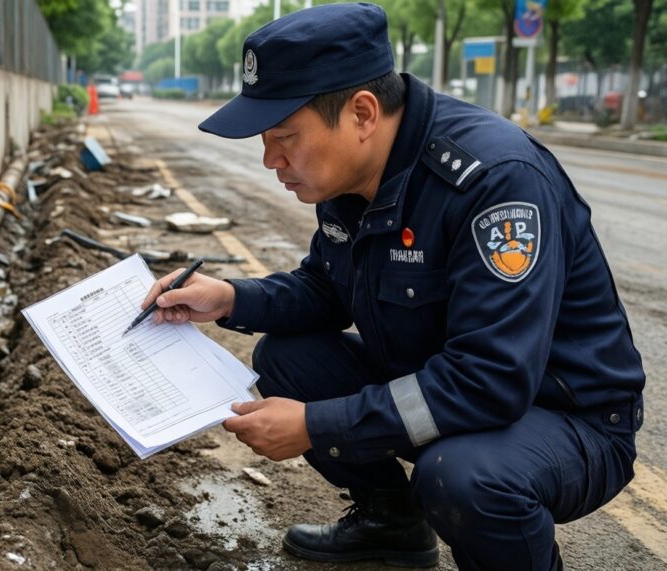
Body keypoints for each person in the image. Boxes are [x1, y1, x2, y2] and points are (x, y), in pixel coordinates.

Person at [140, 3, 645, 570]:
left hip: (563, 417)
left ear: (361, 113)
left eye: (284, 136)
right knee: (287, 357)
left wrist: (314, 426)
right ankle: (392, 522)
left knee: (458, 476)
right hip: (448, 386)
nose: (269, 159)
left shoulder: (495, 180)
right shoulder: (349, 174)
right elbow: (328, 291)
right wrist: (230, 297)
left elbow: (492, 379)